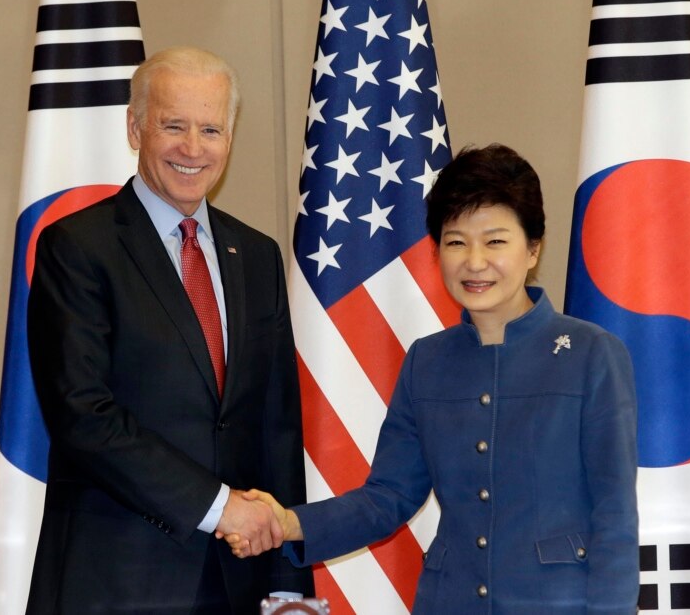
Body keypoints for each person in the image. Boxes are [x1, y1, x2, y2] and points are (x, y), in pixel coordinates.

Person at [228, 144, 639, 613]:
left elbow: (615, 520)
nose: (475, 261)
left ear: (533, 249)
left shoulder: (592, 355)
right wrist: (287, 522)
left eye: (496, 241)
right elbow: (387, 498)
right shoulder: (427, 361)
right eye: (456, 241)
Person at [26, 46, 313, 613]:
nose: (192, 147)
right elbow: (83, 416)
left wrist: (288, 591)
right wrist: (217, 505)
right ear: (134, 129)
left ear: (229, 139)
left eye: (210, 129)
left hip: (239, 582)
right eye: (173, 125)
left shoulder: (257, 255)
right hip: (117, 582)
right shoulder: (76, 248)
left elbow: (276, 431)